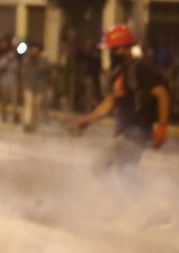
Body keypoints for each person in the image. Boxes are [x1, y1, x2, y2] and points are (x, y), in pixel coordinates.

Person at [70, 24, 170, 171]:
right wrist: (87, 121)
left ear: (122, 49)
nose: (110, 53)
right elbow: (110, 102)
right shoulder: (120, 73)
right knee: (123, 171)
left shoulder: (140, 69)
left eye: (112, 49)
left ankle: (147, 193)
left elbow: (162, 95)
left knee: (101, 167)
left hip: (137, 131)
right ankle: (143, 193)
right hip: (125, 131)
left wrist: (162, 127)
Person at [22, 43, 49, 132]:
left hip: (39, 88)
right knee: (28, 106)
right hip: (28, 86)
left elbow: (45, 69)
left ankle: (34, 124)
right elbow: (23, 70)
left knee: (36, 107)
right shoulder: (27, 59)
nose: (34, 51)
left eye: (36, 49)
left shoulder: (44, 60)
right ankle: (27, 123)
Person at [0, 43, 19, 124]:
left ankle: (15, 115)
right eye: (10, 53)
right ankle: (3, 115)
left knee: (14, 100)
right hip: (3, 83)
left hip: (13, 83)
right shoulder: (2, 60)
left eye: (12, 53)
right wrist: (7, 63)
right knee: (4, 101)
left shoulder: (16, 62)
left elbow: (18, 73)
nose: (11, 55)